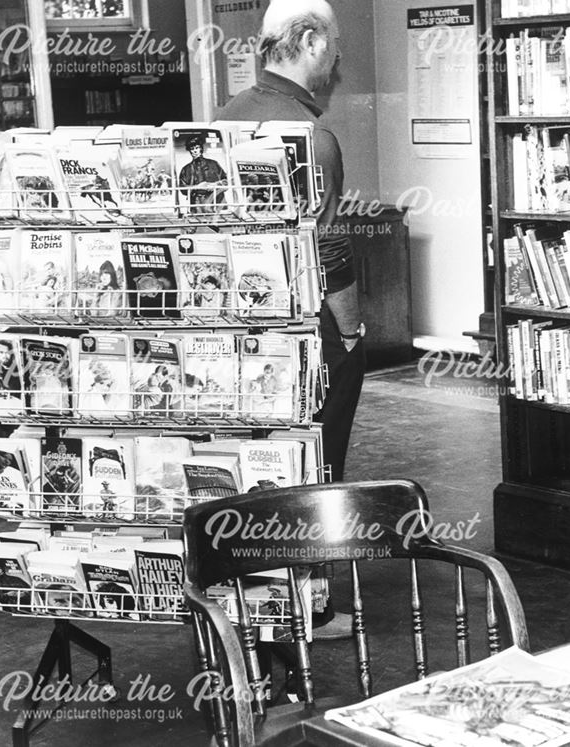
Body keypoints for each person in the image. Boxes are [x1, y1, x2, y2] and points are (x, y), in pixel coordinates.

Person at [218, 0, 363, 640]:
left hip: (244, 332)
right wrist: (354, 332)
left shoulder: (223, 119)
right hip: (311, 333)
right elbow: (329, 250)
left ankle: (254, 598)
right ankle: (315, 609)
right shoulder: (313, 137)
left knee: (260, 464)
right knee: (320, 464)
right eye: (330, 46)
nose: (334, 60)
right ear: (306, 41)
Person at [178, 134, 227, 213]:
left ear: (201, 148)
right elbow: (182, 189)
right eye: (192, 148)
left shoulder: (214, 164)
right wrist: (197, 187)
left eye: (197, 148)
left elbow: (226, 182)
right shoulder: (186, 169)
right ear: (189, 150)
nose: (195, 151)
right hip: (197, 206)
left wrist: (215, 185)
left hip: (216, 203)